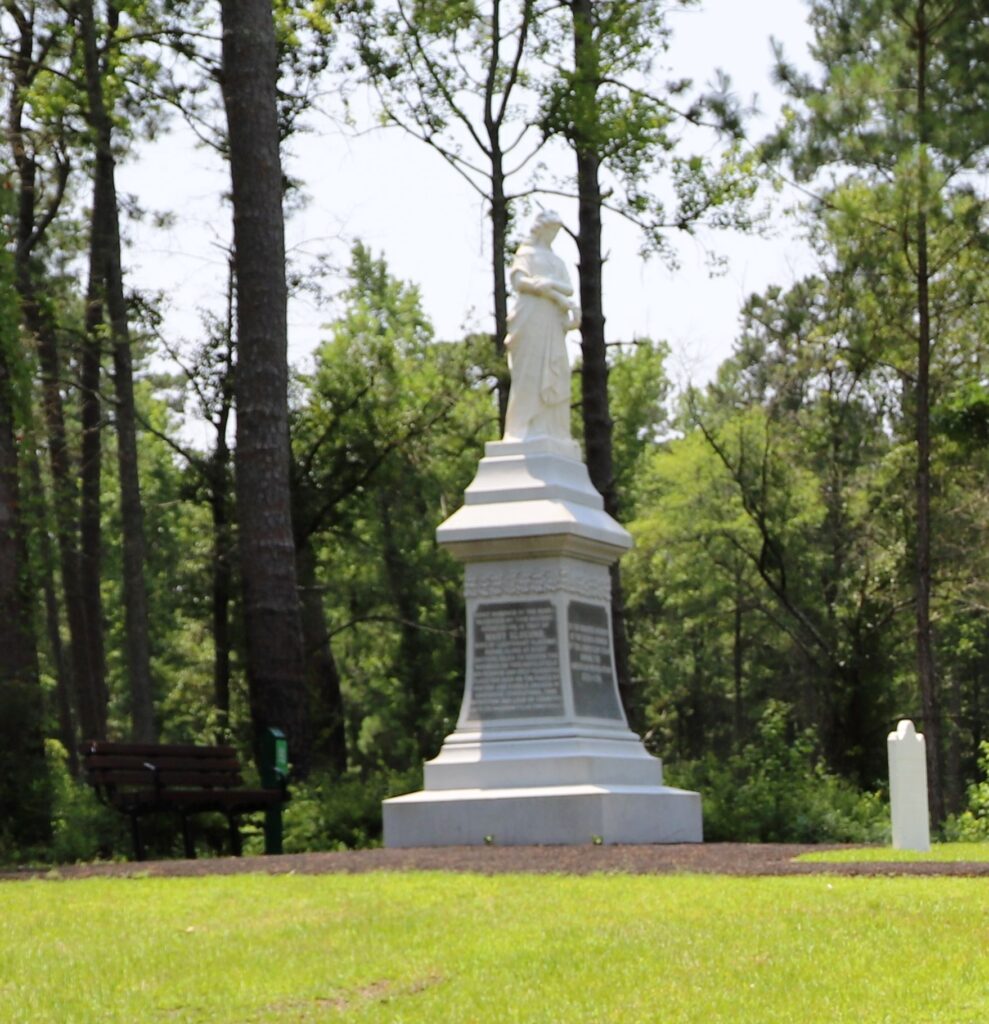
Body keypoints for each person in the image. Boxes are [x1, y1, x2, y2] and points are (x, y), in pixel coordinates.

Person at [502, 210, 581, 442]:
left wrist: (551, 285)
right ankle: (523, 428)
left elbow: (568, 288)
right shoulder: (526, 254)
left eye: (557, 231)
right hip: (530, 317)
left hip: (551, 320)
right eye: (551, 230)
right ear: (542, 229)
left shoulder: (557, 261)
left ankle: (550, 430)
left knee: (556, 370)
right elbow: (519, 281)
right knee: (529, 372)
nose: (553, 235)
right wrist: (541, 288)